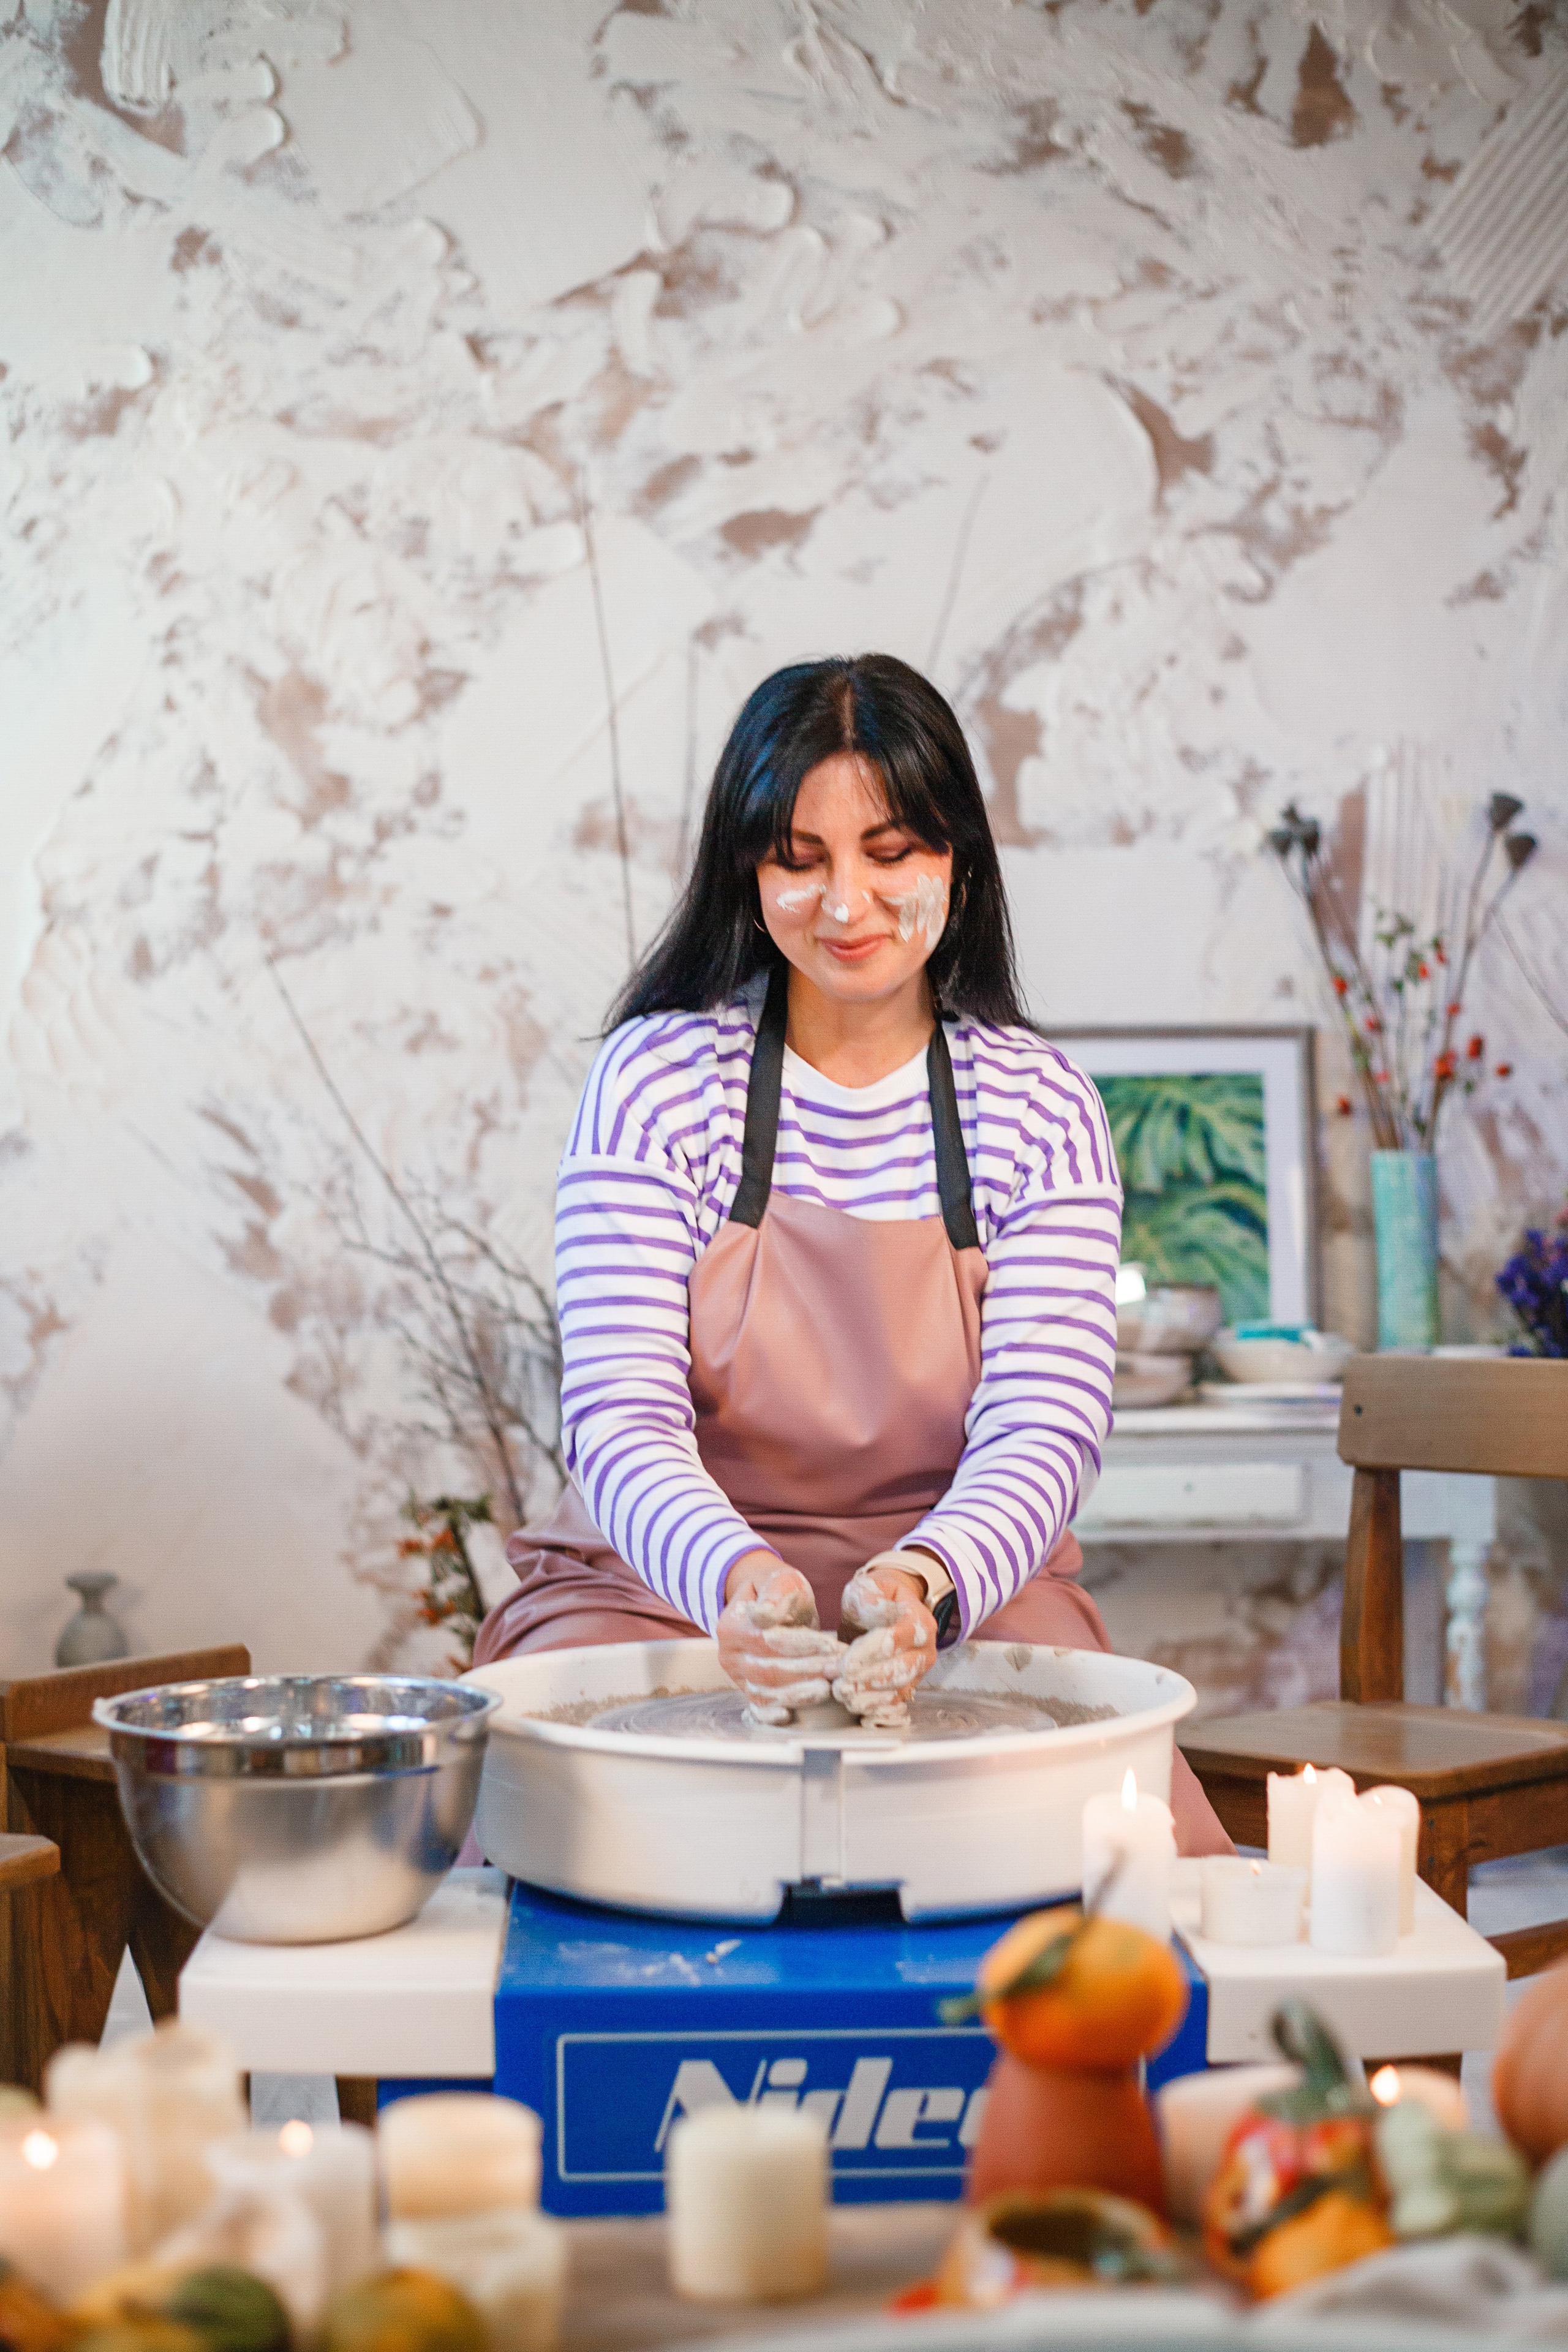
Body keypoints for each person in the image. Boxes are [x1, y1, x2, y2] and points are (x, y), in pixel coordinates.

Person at [475, 654, 1229, 1851]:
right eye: (798, 858)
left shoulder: (1036, 1106)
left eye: (888, 855)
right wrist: (734, 1578)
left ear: (955, 861)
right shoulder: (656, 1082)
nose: (845, 904)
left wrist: (925, 1580)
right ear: (745, 868)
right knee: (559, 1846)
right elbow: (617, 1415)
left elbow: (1044, 1424)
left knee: (1125, 1864)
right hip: (656, 1575)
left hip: (963, 1584)